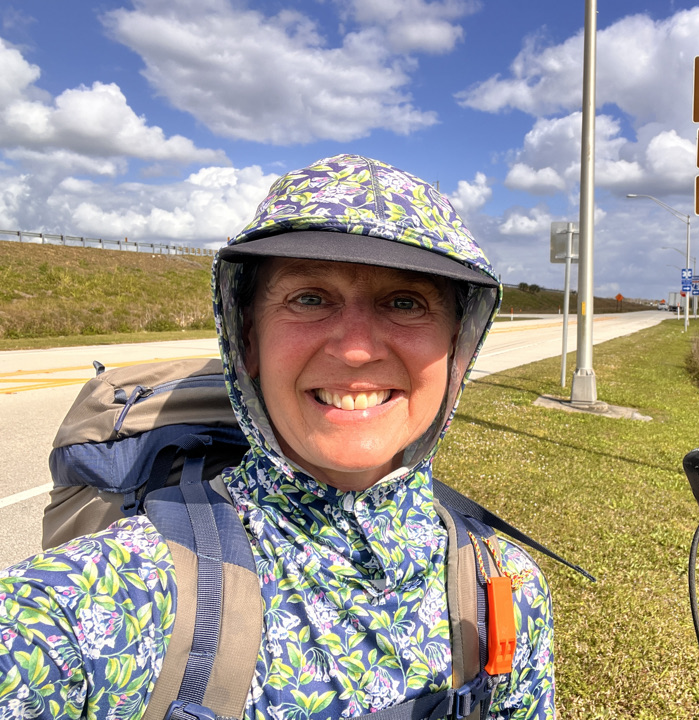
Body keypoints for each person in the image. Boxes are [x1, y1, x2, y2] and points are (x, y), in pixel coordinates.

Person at [0, 154, 555, 719]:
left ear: (457, 348)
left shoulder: (506, 588)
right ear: (248, 340)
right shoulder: (96, 600)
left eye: (405, 302)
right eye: (310, 298)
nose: (356, 348)